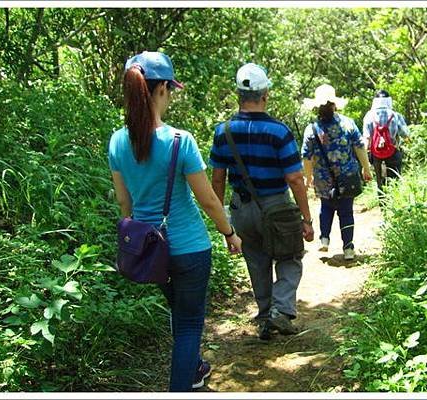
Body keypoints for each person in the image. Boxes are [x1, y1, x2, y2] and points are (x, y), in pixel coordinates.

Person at [108, 51, 242, 392]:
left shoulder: (117, 141)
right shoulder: (179, 140)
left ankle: (194, 369)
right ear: (163, 89)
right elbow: (208, 199)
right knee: (189, 324)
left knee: (179, 315)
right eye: (170, 89)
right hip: (190, 247)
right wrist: (229, 232)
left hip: (151, 249)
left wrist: (136, 236)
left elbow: (125, 204)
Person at [209, 63, 314, 340]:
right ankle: (280, 312)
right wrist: (306, 219)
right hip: (277, 206)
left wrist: (224, 221)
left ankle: (266, 314)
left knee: (256, 259)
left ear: (238, 95)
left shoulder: (224, 132)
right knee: (290, 256)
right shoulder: (278, 132)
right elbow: (294, 179)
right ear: (265, 94)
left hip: (241, 208)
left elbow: (217, 179)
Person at [301, 84, 372, 261]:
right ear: (335, 105)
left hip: (323, 178)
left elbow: (306, 156)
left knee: (326, 207)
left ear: (317, 108)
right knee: (346, 211)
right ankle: (348, 249)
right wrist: (366, 167)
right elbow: (359, 146)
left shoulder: (312, 129)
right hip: (347, 176)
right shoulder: (348, 123)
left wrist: (308, 177)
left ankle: (324, 239)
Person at [362, 89, 410, 197]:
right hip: (393, 151)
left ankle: (383, 207)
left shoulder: (369, 116)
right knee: (395, 181)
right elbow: (405, 134)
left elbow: (366, 138)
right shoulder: (395, 115)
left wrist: (364, 162)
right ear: (389, 101)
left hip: (376, 154)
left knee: (380, 182)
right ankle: (394, 206)